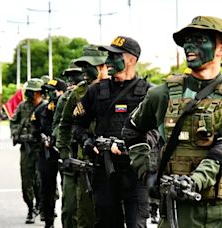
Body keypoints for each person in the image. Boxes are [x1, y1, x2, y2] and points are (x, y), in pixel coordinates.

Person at [122, 16, 222, 228]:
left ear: (221, 49)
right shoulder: (161, 95)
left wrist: (194, 181)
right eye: (187, 40)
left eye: (199, 39)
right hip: (181, 212)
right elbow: (132, 131)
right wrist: (146, 172)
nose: (189, 45)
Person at [72, 36, 151, 227]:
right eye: (107, 56)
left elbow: (159, 131)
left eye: (114, 56)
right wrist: (88, 142)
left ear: (131, 60)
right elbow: (77, 125)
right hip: (104, 171)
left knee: (136, 224)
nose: (107, 61)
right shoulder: (95, 91)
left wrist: (135, 145)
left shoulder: (150, 92)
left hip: (136, 172)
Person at [56, 44, 108, 228]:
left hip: (112, 163)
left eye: (89, 65)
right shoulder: (77, 93)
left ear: (103, 65)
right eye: (83, 65)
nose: (84, 70)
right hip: (83, 161)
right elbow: (64, 125)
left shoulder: (118, 89)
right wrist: (64, 154)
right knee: (79, 214)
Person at [31, 79, 67, 228]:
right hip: (47, 154)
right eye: (48, 91)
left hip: (65, 154)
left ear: (62, 92)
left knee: (69, 189)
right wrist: (41, 138)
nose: (50, 94)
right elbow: (34, 130)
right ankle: (49, 221)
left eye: (53, 91)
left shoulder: (68, 108)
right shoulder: (41, 110)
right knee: (47, 189)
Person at [10, 78, 45, 224]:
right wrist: (17, 134)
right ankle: (30, 208)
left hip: (42, 149)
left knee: (42, 181)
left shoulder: (46, 107)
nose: (29, 94)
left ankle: (43, 207)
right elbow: (14, 122)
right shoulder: (22, 106)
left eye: (32, 91)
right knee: (26, 181)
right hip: (27, 149)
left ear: (39, 92)